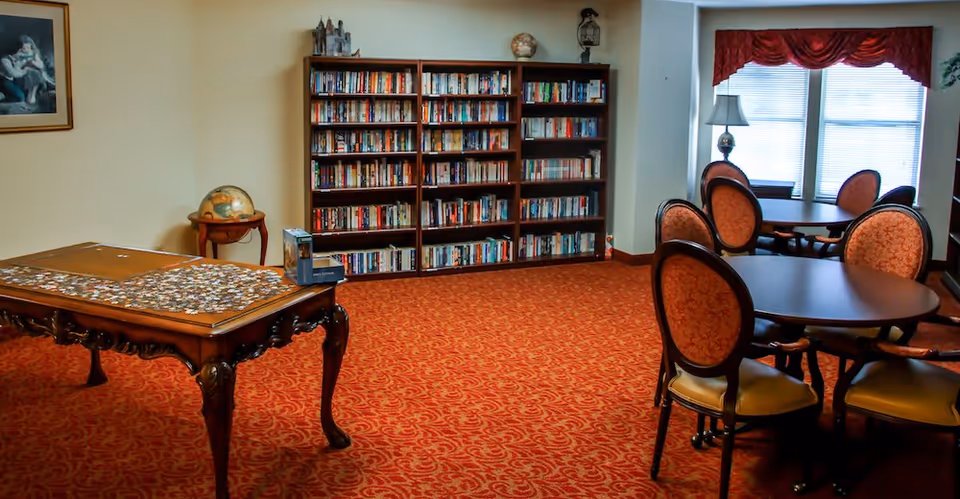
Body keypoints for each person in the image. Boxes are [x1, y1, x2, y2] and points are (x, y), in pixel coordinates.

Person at [0, 35, 54, 106]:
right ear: (18, 49)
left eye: (28, 48)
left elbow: (41, 65)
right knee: (20, 97)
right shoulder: (6, 60)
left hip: (24, 76)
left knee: (37, 72)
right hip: (8, 79)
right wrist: (24, 66)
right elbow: (14, 73)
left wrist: (33, 63)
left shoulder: (33, 54)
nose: (26, 50)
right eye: (23, 49)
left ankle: (32, 95)